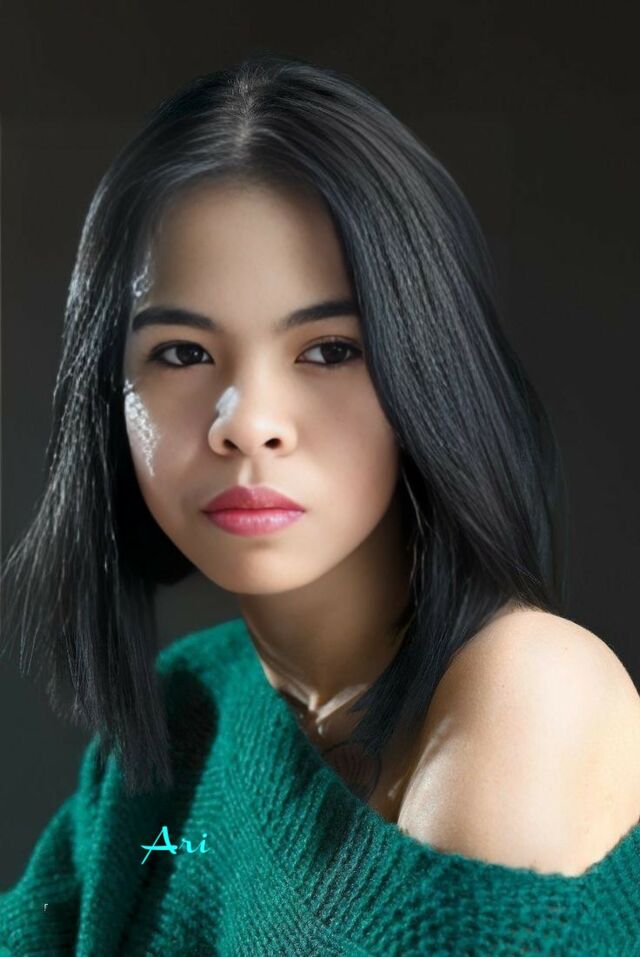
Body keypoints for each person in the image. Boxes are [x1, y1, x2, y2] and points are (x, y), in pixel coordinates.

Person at [1, 52, 639, 955]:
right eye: (182, 353)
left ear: (431, 368)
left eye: (330, 349)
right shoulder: (184, 714)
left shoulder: (532, 690)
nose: (248, 423)